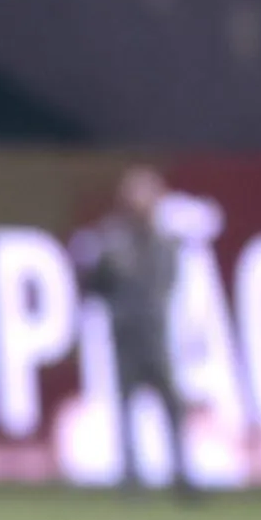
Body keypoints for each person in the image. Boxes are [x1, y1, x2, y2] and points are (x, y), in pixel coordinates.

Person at [74, 166, 195, 497]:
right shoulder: (112, 240)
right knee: (126, 403)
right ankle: (131, 475)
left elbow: (169, 282)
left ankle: (181, 473)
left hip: (155, 333)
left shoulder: (164, 241)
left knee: (171, 403)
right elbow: (96, 286)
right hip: (126, 333)